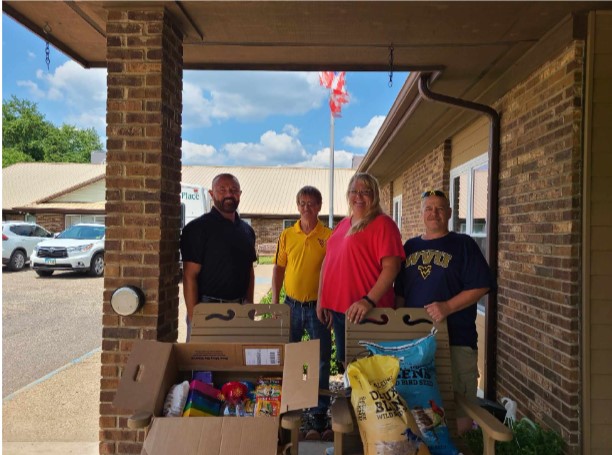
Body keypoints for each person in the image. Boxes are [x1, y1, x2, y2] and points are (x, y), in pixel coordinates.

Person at [394, 189, 493, 434]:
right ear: (421, 214)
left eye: (439, 208)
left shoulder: (464, 244)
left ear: (449, 213)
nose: (434, 213)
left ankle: (457, 448)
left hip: (456, 341)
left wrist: (448, 306)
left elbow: (482, 284)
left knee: (459, 403)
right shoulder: (410, 247)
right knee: (417, 403)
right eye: (428, 208)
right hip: (416, 343)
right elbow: (400, 294)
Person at [317, 172, 405, 369]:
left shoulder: (383, 224)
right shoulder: (342, 224)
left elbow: (392, 267)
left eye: (365, 192)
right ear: (348, 195)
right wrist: (322, 299)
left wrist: (368, 300)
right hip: (340, 311)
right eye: (354, 191)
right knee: (348, 365)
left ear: (375, 195)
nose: (359, 196)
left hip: (367, 312)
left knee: (370, 371)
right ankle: (351, 400)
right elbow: (328, 261)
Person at [272, 185, 332, 439]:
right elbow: (278, 269)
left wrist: (327, 302)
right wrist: (276, 303)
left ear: (319, 207)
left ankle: (318, 417)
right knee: (290, 358)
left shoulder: (328, 235)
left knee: (320, 360)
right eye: (302, 203)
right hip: (292, 306)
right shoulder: (287, 235)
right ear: (297, 206)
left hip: (318, 308)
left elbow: (331, 273)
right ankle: (291, 410)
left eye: (312, 203)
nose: (307, 207)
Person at [180, 173, 256, 340]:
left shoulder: (247, 231)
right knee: (204, 364)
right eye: (222, 189)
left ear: (240, 194)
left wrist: (248, 306)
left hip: (239, 310)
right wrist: (195, 318)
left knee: (235, 363)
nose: (229, 194)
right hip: (207, 310)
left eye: (233, 190)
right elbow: (189, 276)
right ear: (211, 194)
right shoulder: (197, 229)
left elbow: (249, 271)